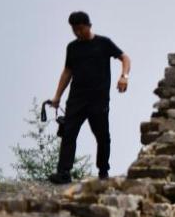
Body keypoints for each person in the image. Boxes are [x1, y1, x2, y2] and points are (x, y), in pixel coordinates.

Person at [47, 11, 130, 184]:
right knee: (68, 134)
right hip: (76, 99)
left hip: (98, 100)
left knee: (102, 136)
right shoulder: (72, 47)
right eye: (74, 30)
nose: (77, 32)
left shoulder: (103, 43)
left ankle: (103, 172)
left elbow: (125, 58)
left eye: (80, 29)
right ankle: (63, 173)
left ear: (89, 26)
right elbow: (67, 71)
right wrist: (57, 97)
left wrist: (124, 77)